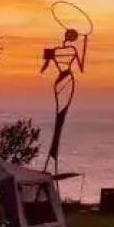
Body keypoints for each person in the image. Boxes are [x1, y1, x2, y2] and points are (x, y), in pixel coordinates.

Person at [40, 27, 87, 170]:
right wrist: (83, 49)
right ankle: (53, 155)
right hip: (67, 80)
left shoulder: (55, 50)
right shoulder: (72, 50)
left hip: (61, 81)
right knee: (60, 115)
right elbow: (81, 67)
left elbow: (44, 67)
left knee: (60, 115)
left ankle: (52, 155)